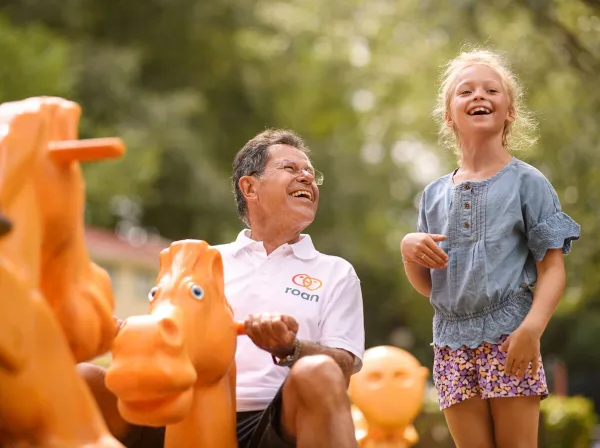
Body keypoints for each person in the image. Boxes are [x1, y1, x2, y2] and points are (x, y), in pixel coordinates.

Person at [79, 129, 365, 448]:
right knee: (83, 380)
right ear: (250, 187)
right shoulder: (203, 260)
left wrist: (291, 348)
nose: (307, 179)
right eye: (290, 169)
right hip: (183, 411)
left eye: (311, 173)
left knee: (319, 372)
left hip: (274, 420)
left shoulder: (336, 272)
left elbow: (343, 366)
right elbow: (164, 333)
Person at [400, 49, 580, 448]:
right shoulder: (432, 195)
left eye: (491, 90)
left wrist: (532, 329)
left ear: (509, 111)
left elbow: (552, 269)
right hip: (449, 342)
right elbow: (432, 285)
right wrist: (408, 249)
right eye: (465, 91)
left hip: (510, 335)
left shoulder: (527, 183)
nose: (479, 96)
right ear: (449, 115)